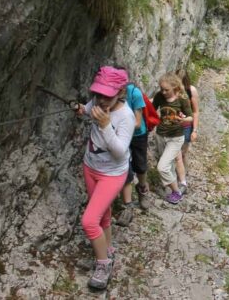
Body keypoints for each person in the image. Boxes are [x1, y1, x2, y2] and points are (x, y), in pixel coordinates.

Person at [75, 66, 134, 290]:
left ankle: (103, 264)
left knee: (89, 221)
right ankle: (108, 250)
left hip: (112, 174)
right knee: (103, 216)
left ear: (120, 92)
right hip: (91, 166)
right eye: (98, 93)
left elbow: (120, 151)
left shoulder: (125, 116)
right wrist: (81, 109)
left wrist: (105, 126)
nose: (101, 99)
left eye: (107, 95)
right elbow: (88, 110)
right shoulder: (98, 102)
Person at [153, 73, 192, 204]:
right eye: (161, 89)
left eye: (166, 90)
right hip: (160, 135)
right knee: (164, 162)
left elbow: (190, 117)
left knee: (162, 167)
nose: (163, 92)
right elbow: (152, 111)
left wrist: (183, 120)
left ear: (175, 87)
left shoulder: (182, 98)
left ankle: (177, 192)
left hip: (176, 138)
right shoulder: (159, 96)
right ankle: (172, 186)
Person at [117, 81, 151, 227]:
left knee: (140, 166)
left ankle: (142, 188)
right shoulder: (112, 94)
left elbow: (137, 122)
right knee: (125, 167)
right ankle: (128, 205)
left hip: (138, 134)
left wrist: (119, 124)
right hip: (122, 134)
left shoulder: (134, 93)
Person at [175, 69, 199, 194]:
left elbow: (195, 111)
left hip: (186, 127)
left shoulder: (191, 91)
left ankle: (181, 180)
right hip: (172, 127)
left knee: (182, 153)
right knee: (175, 153)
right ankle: (178, 179)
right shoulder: (171, 89)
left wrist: (194, 130)